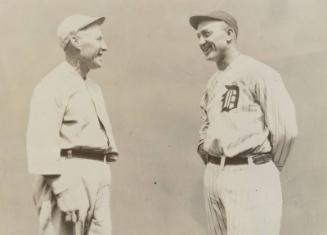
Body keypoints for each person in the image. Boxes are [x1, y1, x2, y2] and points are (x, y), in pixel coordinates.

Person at [189, 10, 297, 235]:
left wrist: (265, 168)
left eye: (206, 34)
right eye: (198, 36)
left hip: (250, 173)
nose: (201, 42)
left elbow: (286, 130)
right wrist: (206, 151)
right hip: (215, 174)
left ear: (229, 34)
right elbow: (206, 123)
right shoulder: (213, 82)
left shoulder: (259, 72)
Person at [26, 14, 118, 235]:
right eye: (98, 40)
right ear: (75, 41)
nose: (104, 47)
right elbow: (40, 144)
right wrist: (62, 189)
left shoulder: (94, 88)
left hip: (98, 176)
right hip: (67, 175)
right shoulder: (51, 85)